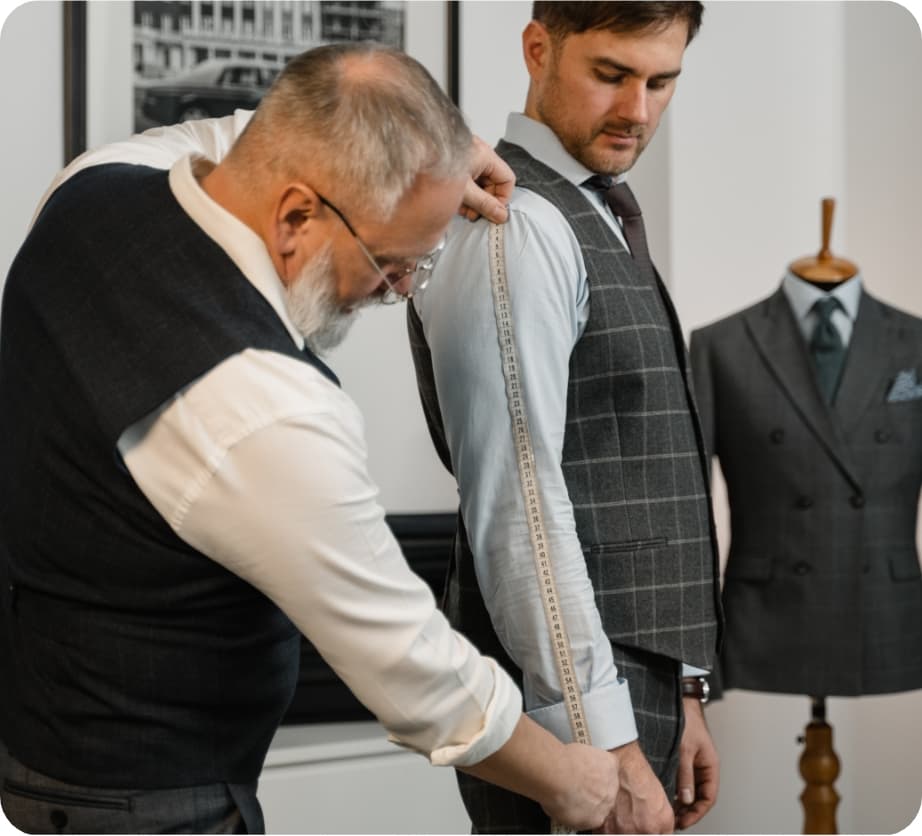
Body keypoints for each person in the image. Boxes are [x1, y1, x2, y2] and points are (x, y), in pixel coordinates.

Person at [0, 43, 619, 835]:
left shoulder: (93, 187)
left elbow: (247, 136)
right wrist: (573, 779)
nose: (396, 292)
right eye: (393, 265)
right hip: (151, 801)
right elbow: (414, 668)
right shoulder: (262, 404)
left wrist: (430, 147)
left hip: (34, 748)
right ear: (296, 215)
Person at [406, 3, 722, 833]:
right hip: (576, 717)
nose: (638, 111)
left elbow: (633, 465)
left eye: (663, 81)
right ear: (538, 49)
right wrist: (603, 744)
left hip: (635, 689)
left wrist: (683, 686)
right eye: (611, 75)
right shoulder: (517, 224)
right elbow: (518, 507)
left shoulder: (600, 212)